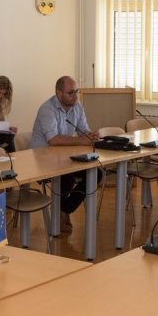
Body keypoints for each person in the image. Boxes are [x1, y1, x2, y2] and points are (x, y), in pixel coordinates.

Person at [29, 75, 100, 232]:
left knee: (97, 173)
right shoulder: (47, 109)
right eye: (70, 93)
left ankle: (64, 210)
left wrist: (91, 135)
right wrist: (82, 141)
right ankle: (60, 216)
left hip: (64, 156)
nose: (75, 96)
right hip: (42, 159)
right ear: (58, 93)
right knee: (66, 176)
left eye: (76, 91)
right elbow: (53, 140)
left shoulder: (77, 106)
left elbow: (83, 130)